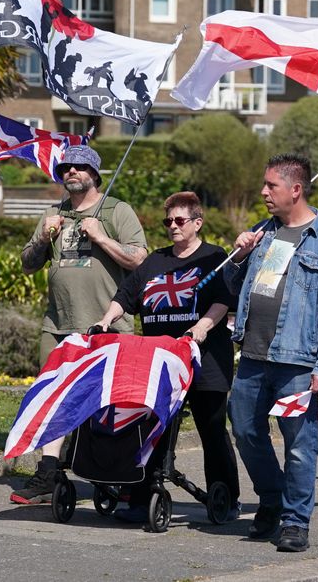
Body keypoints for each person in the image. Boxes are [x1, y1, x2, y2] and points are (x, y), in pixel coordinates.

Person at [224, 153, 318, 553]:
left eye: (271, 185)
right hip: (253, 356)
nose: (263, 192)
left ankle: (295, 521)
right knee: (245, 430)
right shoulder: (263, 233)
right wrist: (238, 255)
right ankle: (272, 498)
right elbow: (232, 287)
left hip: (296, 362)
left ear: (295, 189)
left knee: (298, 444)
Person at [11, 144, 148, 504]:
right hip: (58, 324)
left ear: (95, 175)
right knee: (52, 398)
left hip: (106, 325)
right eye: (66, 167)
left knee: (109, 404)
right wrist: (44, 238)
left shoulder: (117, 210)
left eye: (79, 167)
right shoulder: (52, 214)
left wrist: (101, 237)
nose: (71, 171)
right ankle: (48, 473)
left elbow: (140, 260)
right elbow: (27, 264)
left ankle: (118, 474)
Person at [93, 191, 241, 523]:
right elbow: (125, 295)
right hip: (159, 361)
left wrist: (202, 327)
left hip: (203, 360)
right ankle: (141, 497)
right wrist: (105, 320)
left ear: (197, 223)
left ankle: (226, 497)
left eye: (180, 220)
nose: (173, 226)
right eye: (168, 221)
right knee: (151, 428)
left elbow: (222, 299)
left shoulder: (214, 257)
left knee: (212, 431)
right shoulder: (154, 261)